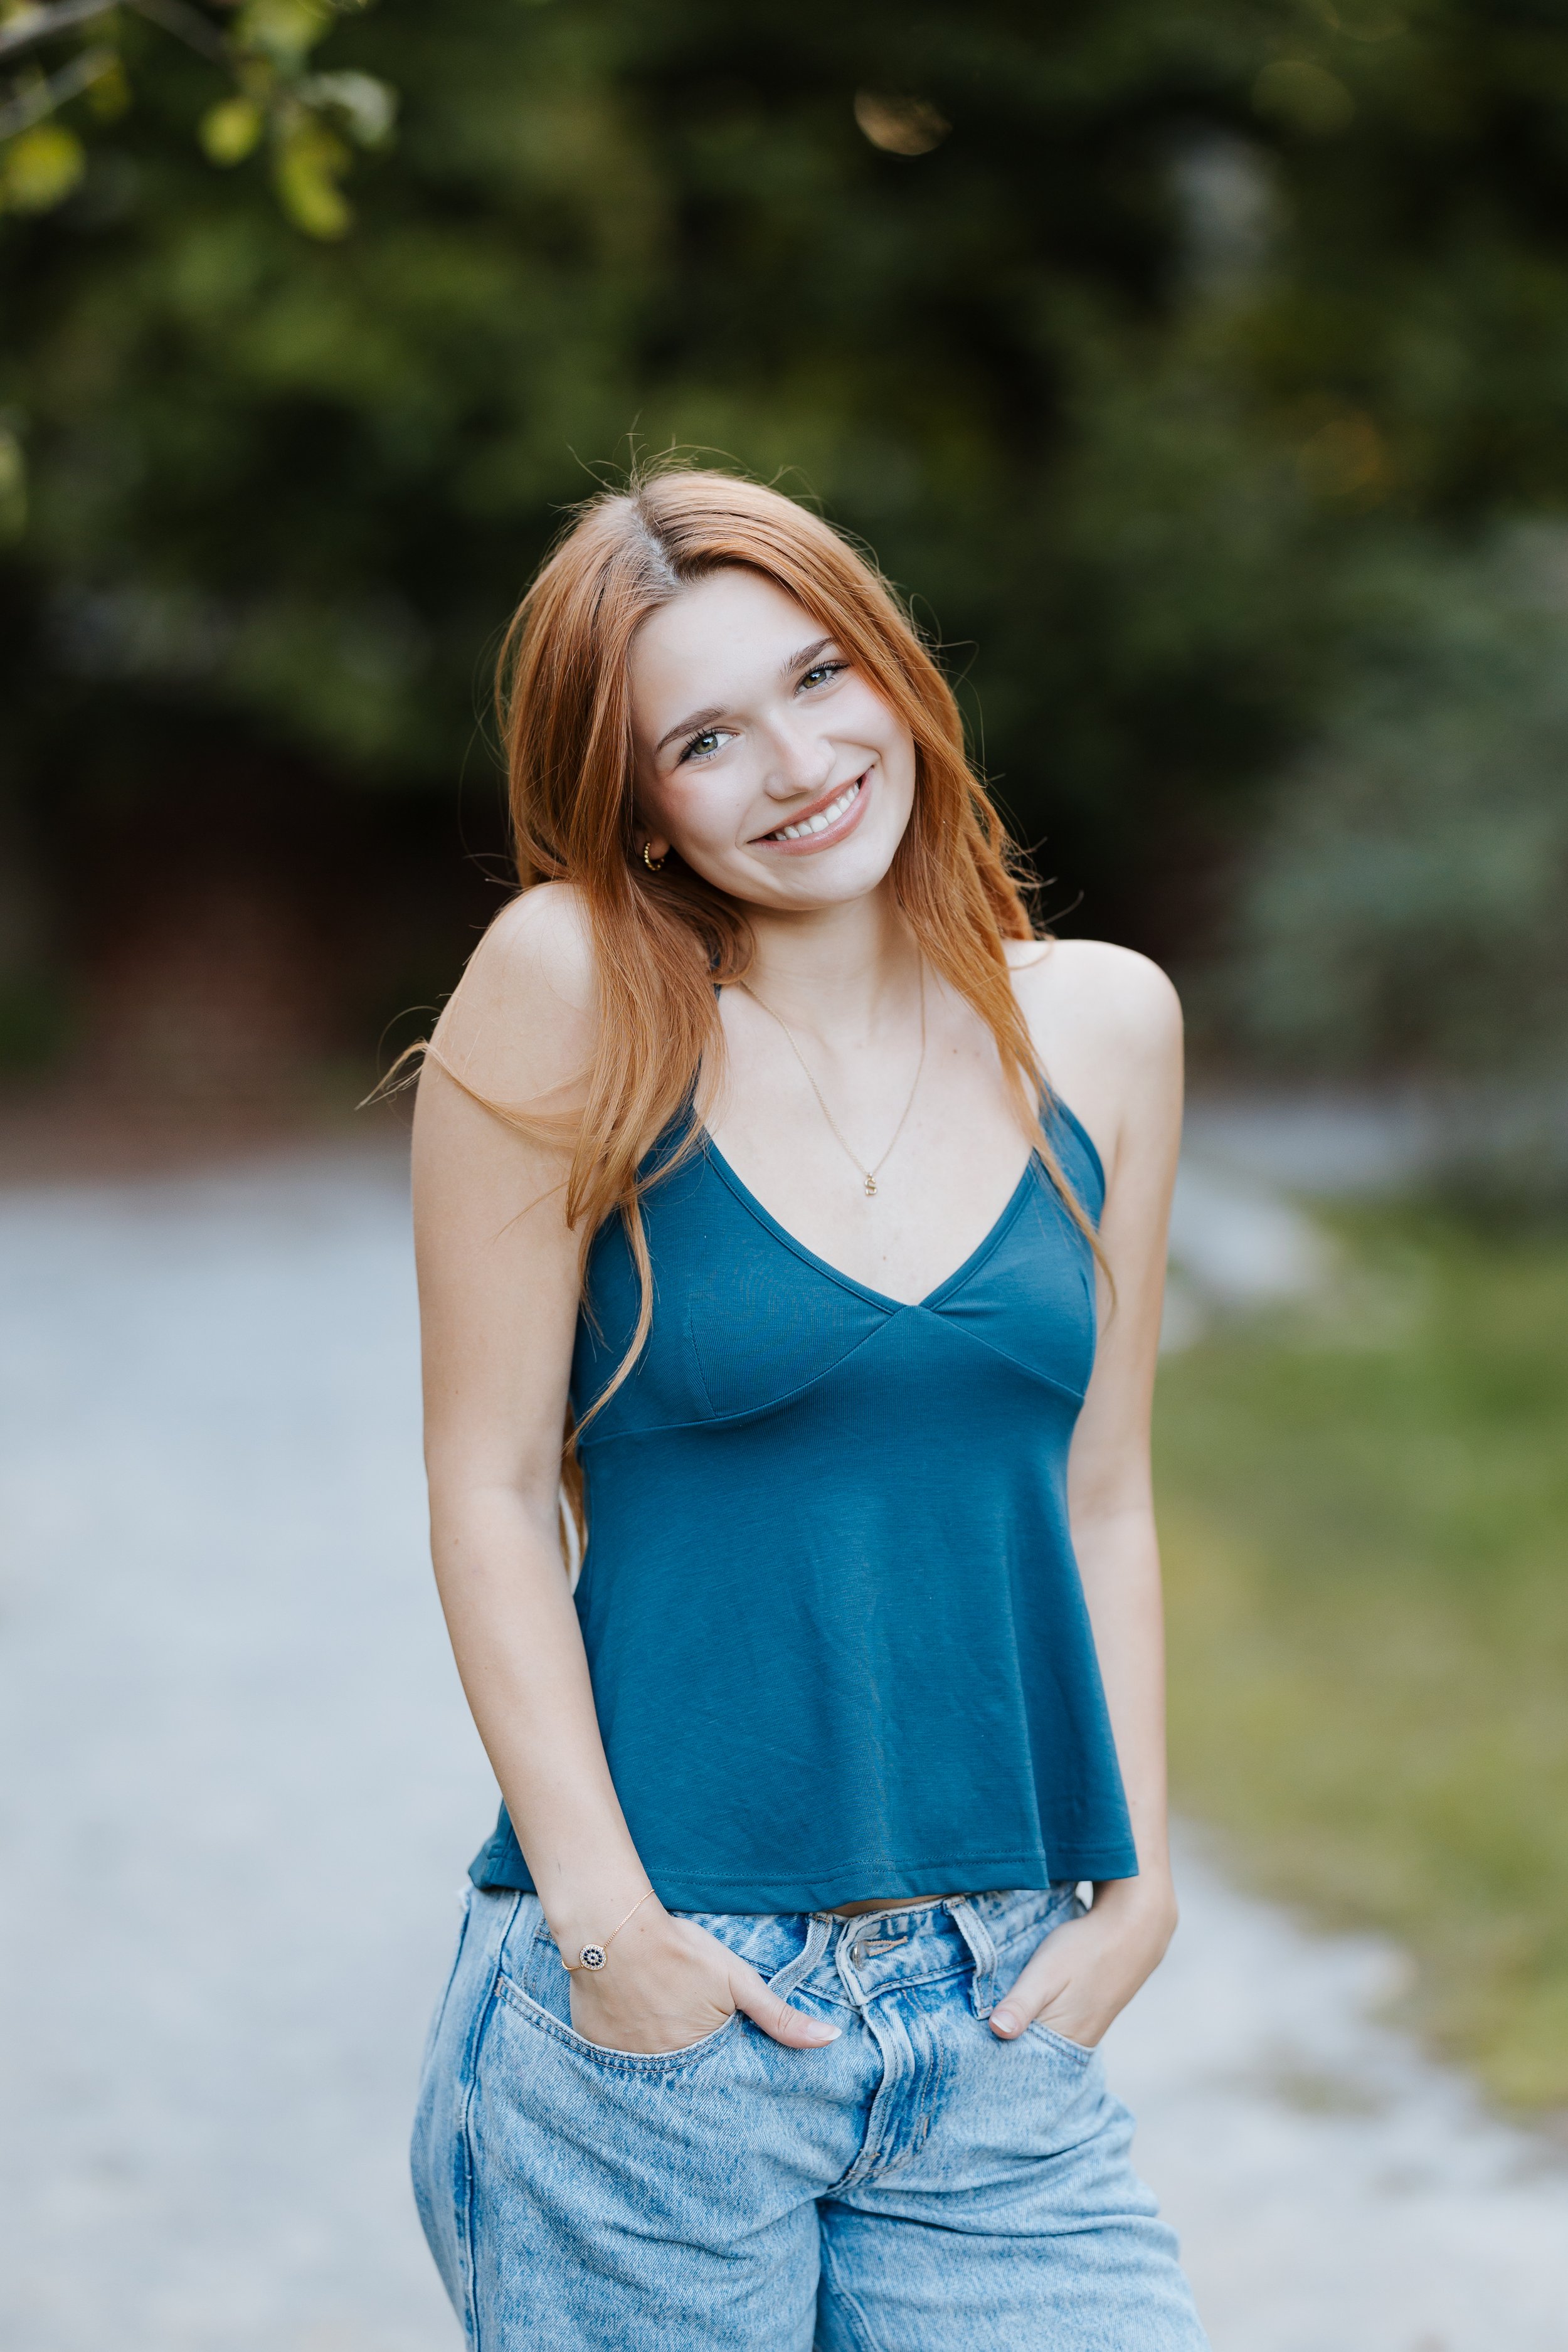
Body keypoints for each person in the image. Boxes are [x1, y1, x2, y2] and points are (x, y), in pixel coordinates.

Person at [408, 467, 1207, 2350]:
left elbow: (1103, 1498)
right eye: (704, 737)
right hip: (671, 2029)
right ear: (640, 806)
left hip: (998, 2007)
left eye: (819, 675)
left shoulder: (1102, 1025)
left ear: (897, 675)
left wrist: (1141, 1885)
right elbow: (486, 1486)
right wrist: (610, 1936)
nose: (793, 763)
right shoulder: (566, 992)